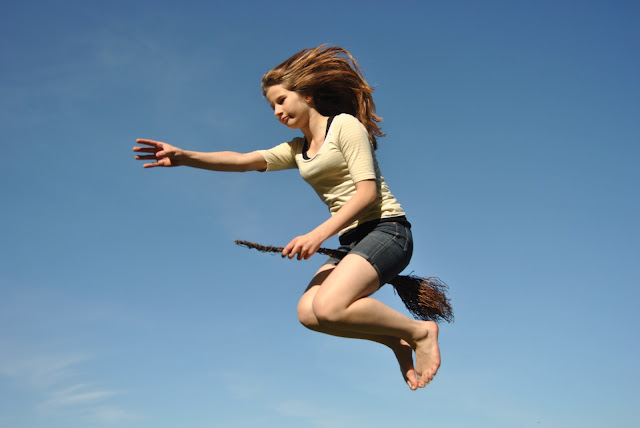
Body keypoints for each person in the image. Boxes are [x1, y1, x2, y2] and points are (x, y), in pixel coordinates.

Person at [133, 45, 440, 390]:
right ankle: (395, 341)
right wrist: (185, 157)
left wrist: (316, 235)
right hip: (352, 241)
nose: (277, 111)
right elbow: (243, 160)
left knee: (330, 306)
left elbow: (367, 194)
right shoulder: (298, 150)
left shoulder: (344, 126)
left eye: (281, 100)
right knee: (309, 314)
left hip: (387, 231)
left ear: (306, 94)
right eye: (272, 107)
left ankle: (419, 331)